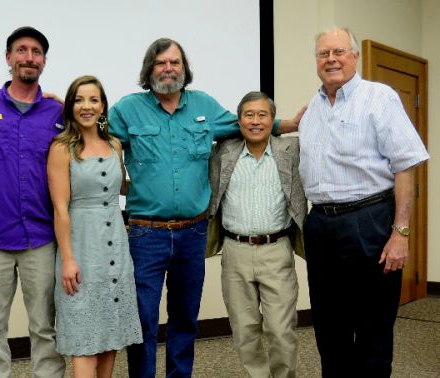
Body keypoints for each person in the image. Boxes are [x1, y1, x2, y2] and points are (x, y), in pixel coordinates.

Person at [108, 38, 303, 377]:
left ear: (185, 69)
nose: (168, 69)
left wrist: (289, 124)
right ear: (149, 69)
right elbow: (91, 137)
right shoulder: (127, 109)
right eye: (161, 63)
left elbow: (246, 124)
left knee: (185, 319)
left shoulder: (204, 106)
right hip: (146, 234)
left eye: (175, 63)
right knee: (143, 319)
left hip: (192, 233)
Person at [298, 27, 430, 377]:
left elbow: (405, 165)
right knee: (329, 327)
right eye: (323, 54)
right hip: (321, 225)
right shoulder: (312, 107)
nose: (331, 60)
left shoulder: (379, 98)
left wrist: (400, 232)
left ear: (354, 56)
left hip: (368, 220)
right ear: (316, 62)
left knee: (372, 326)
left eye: (339, 52)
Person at [0, 26, 65, 377]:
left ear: (44, 61)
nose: (29, 57)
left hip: (40, 239)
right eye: (21, 50)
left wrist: (67, 104)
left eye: (36, 52)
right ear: (9, 58)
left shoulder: (56, 114)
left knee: (45, 331)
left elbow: (95, 140)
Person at [206, 91, 306, 378]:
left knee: (281, 329)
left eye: (262, 115)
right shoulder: (223, 153)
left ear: (272, 120)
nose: (255, 121)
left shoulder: (291, 151)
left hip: (276, 249)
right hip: (235, 251)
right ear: (239, 121)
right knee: (244, 328)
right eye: (248, 115)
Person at [47, 75, 142, 377]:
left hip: (115, 250)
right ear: (70, 105)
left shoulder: (114, 144)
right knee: (85, 342)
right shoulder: (62, 148)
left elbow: (117, 188)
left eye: (93, 99)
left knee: (110, 338)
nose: (86, 106)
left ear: (103, 106)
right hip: (82, 250)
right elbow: (60, 209)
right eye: (79, 100)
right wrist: (69, 260)